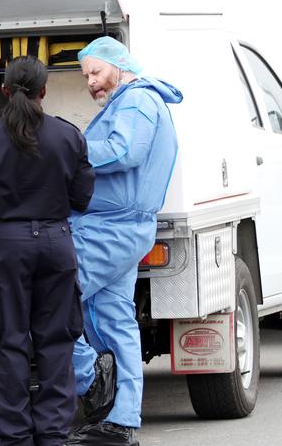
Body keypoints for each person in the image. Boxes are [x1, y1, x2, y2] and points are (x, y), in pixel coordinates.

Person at [0, 56, 95, 446]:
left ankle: (16, 438)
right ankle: (53, 436)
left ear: (4, 91)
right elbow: (83, 199)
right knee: (57, 342)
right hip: (56, 243)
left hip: (6, 248)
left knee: (6, 344)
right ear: (44, 91)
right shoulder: (69, 136)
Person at [65, 36, 182, 446]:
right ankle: (120, 420)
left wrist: (67, 150)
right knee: (116, 322)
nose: (91, 82)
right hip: (118, 228)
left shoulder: (135, 102)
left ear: (119, 64)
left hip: (109, 229)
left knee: (50, 297)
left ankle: (92, 379)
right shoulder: (133, 102)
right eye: (86, 76)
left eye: (95, 72)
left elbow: (124, 152)